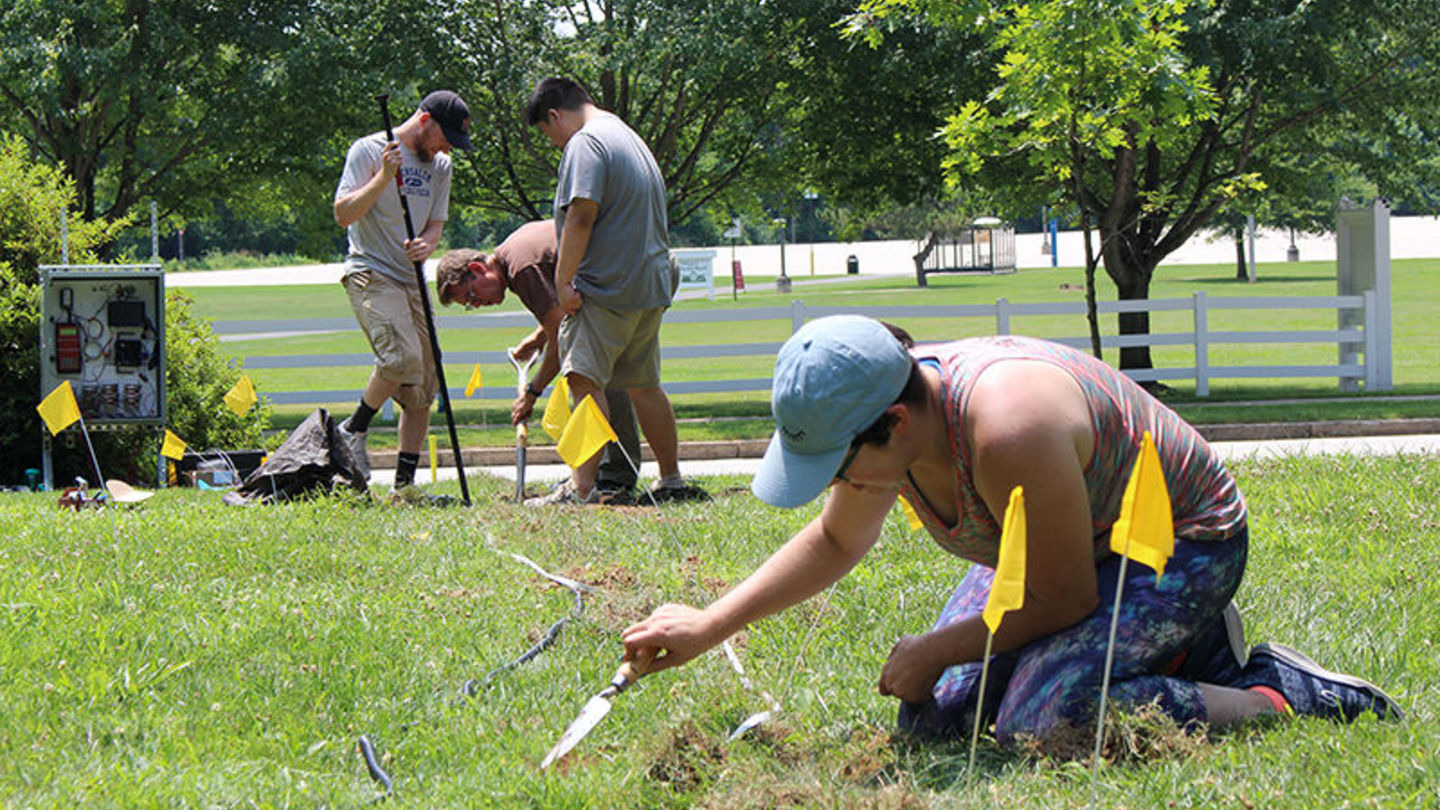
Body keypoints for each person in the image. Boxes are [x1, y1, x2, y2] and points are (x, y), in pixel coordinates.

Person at [623, 315, 1402, 744]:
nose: (837, 486)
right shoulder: (888, 431)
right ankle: (1174, 651)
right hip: (1063, 557)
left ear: (894, 423)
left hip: (1174, 546)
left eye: (836, 466)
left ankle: (1277, 693)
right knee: (936, 722)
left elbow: (1061, 596)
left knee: (1044, 719)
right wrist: (708, 623)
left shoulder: (1008, 429)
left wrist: (936, 646)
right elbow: (834, 541)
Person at [523, 76, 700, 506]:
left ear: (554, 115)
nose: (554, 145)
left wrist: (563, 283)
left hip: (607, 287)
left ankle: (581, 489)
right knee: (644, 385)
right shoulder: (628, 136)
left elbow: (582, 214)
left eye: (549, 136)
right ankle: (671, 479)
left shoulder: (587, 143)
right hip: (649, 284)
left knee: (583, 380)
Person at [435, 222, 645, 503]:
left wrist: (532, 394)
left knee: (585, 376)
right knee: (607, 377)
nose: (478, 304)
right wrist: (538, 339)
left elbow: (561, 342)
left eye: (472, 296)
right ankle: (611, 475)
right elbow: (558, 320)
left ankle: (602, 480)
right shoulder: (514, 251)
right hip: (628, 274)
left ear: (476, 269)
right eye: (470, 305)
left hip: (620, 280)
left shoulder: (521, 270)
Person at [331, 90, 472, 490]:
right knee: (399, 356)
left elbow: (435, 224)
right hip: (370, 271)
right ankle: (352, 430)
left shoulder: (441, 165)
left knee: (423, 385)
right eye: (446, 137)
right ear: (425, 120)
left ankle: (404, 487)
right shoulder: (369, 150)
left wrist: (427, 243)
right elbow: (343, 214)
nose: (449, 148)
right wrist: (382, 176)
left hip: (412, 280)